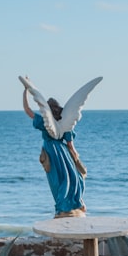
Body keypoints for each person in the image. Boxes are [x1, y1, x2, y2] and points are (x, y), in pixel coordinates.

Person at [23, 86, 87, 218]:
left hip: (51, 153)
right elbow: (70, 143)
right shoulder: (63, 122)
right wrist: (74, 153)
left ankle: (62, 208)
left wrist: (25, 91)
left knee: (57, 180)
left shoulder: (45, 122)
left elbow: (27, 110)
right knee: (72, 177)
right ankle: (76, 203)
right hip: (63, 152)